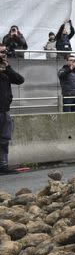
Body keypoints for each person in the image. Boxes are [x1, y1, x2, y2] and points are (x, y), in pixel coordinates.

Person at [0, 44, 24, 174]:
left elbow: (20, 80)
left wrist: (7, 67)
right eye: (1, 52)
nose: (3, 54)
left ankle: (3, 166)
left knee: (4, 140)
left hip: (4, 110)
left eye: (4, 52)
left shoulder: (5, 69)